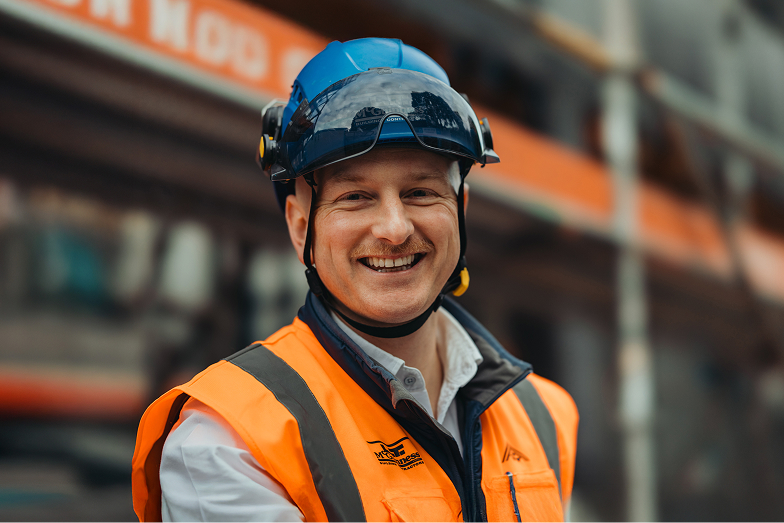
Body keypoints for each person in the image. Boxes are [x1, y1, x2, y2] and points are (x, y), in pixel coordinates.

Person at [132, 37, 578, 522]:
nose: (394, 228)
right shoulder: (230, 442)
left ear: (460, 211)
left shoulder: (545, 416)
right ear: (301, 224)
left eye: (421, 192)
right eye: (355, 197)